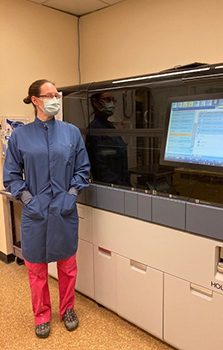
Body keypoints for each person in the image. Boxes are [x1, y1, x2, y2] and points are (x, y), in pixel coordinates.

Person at [3, 79, 90, 338]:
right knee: (36, 268)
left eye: (57, 95)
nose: (55, 100)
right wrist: (29, 200)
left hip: (64, 210)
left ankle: (67, 309)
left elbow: (83, 169)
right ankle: (41, 315)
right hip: (36, 212)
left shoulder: (71, 132)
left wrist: (71, 194)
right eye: (49, 95)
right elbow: (11, 176)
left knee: (67, 265)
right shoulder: (20, 136)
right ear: (35, 100)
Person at [86, 92, 130, 186]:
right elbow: (100, 166)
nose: (112, 104)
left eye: (113, 100)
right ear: (96, 103)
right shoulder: (95, 130)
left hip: (121, 183)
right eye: (108, 100)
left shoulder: (109, 127)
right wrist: (118, 183)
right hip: (110, 186)